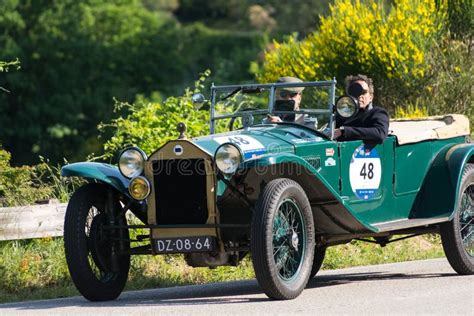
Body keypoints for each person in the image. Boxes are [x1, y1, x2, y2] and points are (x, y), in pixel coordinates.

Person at [334, 74, 389, 144]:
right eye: (355, 92)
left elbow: (380, 134)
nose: (359, 96)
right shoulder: (343, 115)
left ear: (371, 97)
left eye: (363, 92)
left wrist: (343, 131)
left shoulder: (377, 113)